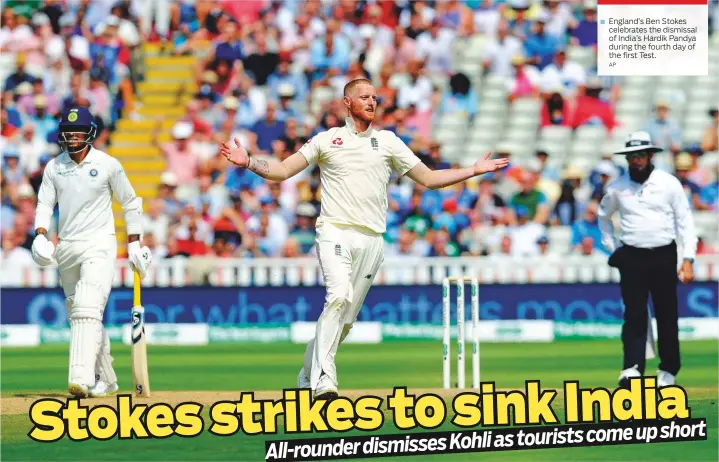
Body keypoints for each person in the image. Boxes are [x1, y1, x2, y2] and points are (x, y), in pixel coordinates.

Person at [220, 78, 509, 400]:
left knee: (344, 322)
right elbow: (283, 170)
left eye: (375, 97)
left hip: (372, 239)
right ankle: (324, 383)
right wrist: (248, 162)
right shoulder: (327, 140)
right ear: (347, 102)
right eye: (364, 97)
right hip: (334, 231)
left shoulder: (388, 142)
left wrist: (472, 170)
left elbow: (429, 179)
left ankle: (307, 374)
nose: (372, 102)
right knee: (338, 296)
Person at [31, 107, 153, 398]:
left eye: (78, 132)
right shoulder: (54, 167)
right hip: (67, 246)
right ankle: (107, 379)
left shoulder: (108, 164)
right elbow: (45, 204)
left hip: (99, 243)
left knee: (87, 306)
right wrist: (40, 234)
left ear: (90, 134)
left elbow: (131, 202)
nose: (72, 137)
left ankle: (80, 379)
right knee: (79, 313)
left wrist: (134, 242)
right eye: (68, 132)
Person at [597, 131, 697, 389]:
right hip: (632, 256)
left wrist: (688, 258)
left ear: (650, 155)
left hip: (664, 254)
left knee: (666, 314)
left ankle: (668, 370)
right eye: (632, 156)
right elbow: (603, 218)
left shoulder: (668, 183)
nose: (636, 161)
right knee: (634, 314)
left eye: (641, 155)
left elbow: (685, 221)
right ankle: (632, 368)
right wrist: (613, 249)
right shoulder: (617, 188)